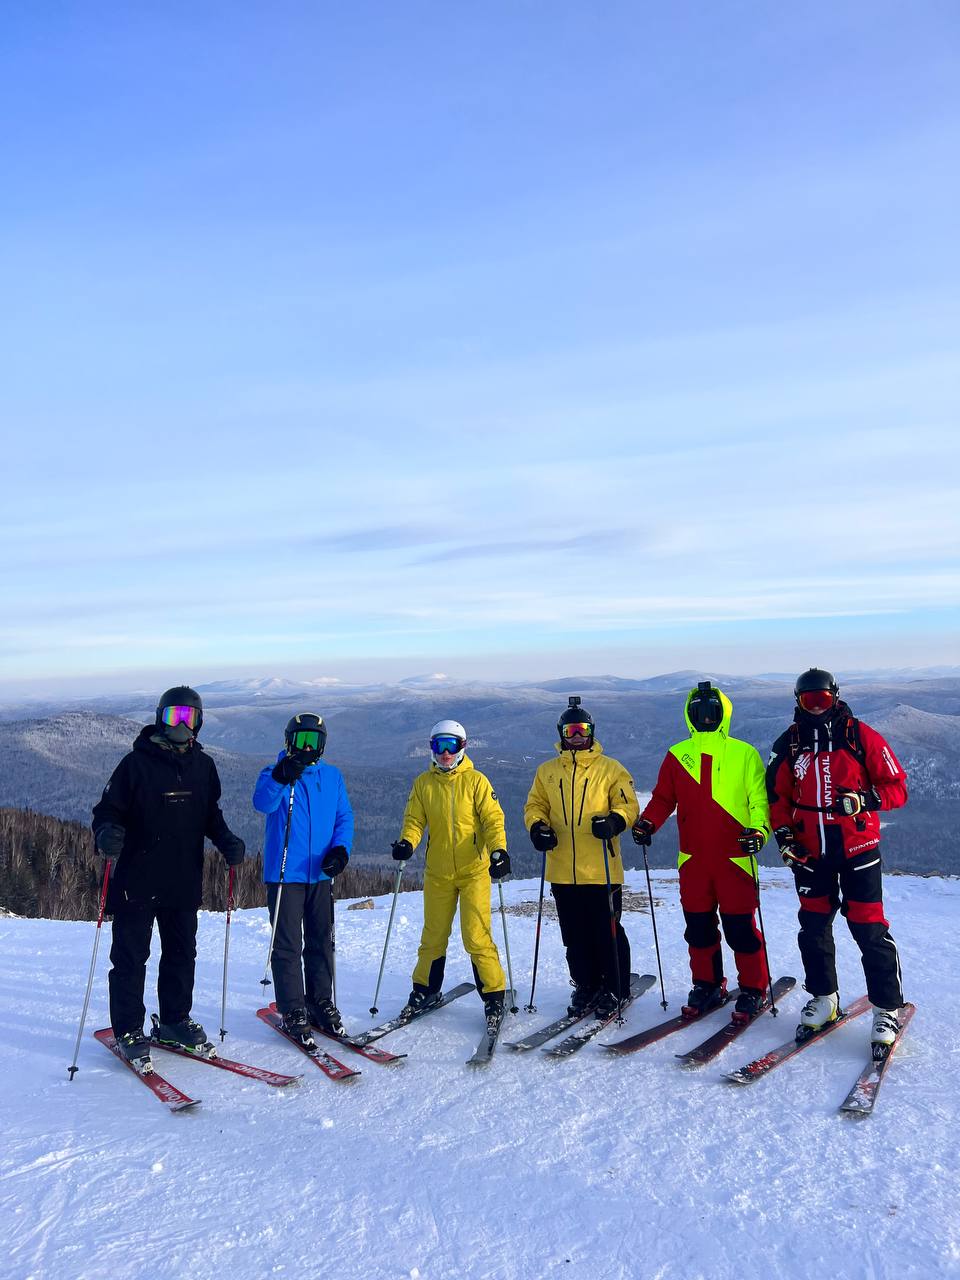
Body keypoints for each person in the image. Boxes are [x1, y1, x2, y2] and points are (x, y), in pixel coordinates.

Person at [91, 685, 246, 1065]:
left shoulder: (203, 766)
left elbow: (210, 815)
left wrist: (226, 840)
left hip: (182, 878)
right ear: (160, 719)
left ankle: (175, 1020)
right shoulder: (135, 764)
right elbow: (106, 811)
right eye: (174, 716)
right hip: (137, 880)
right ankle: (129, 1028)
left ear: (199, 723)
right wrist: (105, 834)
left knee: (181, 953)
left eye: (188, 717)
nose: (181, 724)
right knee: (130, 958)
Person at [766, 668, 908, 1052]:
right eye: (808, 700)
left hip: (858, 849)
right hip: (811, 853)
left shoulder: (859, 736)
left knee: (868, 927)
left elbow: (897, 787)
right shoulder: (790, 742)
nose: (816, 707)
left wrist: (865, 799)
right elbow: (776, 798)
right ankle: (824, 997)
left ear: (835, 698)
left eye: (822, 700)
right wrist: (784, 836)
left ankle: (886, 1008)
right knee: (813, 927)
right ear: (798, 702)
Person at [631, 681, 771, 1023]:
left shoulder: (744, 754)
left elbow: (759, 800)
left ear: (724, 713)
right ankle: (707, 985)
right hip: (693, 860)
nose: (706, 717)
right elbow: (663, 798)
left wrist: (759, 831)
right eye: (699, 711)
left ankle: (753, 988)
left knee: (740, 929)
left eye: (712, 711)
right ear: (690, 715)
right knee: (698, 928)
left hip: (735, 859)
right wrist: (648, 822)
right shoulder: (677, 755)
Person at [524, 697, 639, 1017]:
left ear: (592, 731)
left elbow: (629, 804)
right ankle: (586, 984)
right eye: (571, 731)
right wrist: (537, 827)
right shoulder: (547, 771)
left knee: (607, 931)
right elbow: (535, 806)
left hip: (601, 867)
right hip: (562, 868)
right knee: (574, 935)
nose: (577, 737)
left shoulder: (611, 769)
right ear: (561, 733)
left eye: (582, 730)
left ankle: (616, 988)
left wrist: (615, 821)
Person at [390, 719, 510, 1026]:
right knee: (433, 935)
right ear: (431, 748)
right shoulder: (424, 784)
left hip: (474, 871)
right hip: (438, 873)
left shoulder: (476, 782)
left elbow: (493, 820)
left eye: (451, 745)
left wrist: (498, 850)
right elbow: (415, 821)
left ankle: (494, 996)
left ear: (462, 747)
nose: (445, 753)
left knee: (476, 935)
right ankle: (425, 990)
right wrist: (407, 843)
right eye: (439, 745)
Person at [253, 712, 353, 1049]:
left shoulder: (332, 776)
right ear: (289, 741)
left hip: (321, 873)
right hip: (285, 874)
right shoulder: (274, 772)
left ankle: (320, 1001)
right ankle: (293, 1008)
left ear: (322, 744)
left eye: (314, 741)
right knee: (287, 943)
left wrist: (341, 849)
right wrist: (281, 776)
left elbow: (343, 816)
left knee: (321, 939)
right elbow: (262, 802)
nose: (307, 747)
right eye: (301, 740)